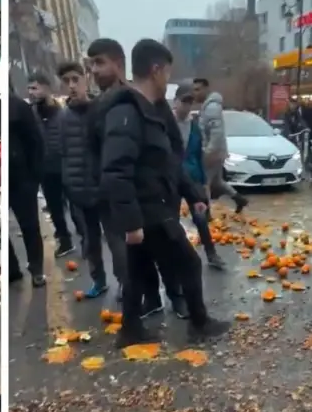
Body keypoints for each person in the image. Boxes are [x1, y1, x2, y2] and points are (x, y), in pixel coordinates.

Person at [100, 39, 231, 347]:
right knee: (189, 263)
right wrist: (131, 223)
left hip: (152, 207)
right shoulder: (127, 112)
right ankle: (199, 323)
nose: (167, 80)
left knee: (136, 271)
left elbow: (169, 162)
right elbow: (115, 171)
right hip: (148, 211)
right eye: (167, 72)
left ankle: (130, 330)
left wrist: (193, 195)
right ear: (156, 70)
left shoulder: (153, 110)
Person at [56, 60, 122, 299]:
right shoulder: (62, 117)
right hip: (79, 191)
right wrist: (68, 185)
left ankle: (123, 281)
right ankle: (98, 280)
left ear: (86, 79)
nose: (72, 85)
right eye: (66, 81)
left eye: (76, 79)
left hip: (104, 188)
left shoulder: (101, 110)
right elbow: (63, 153)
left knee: (115, 240)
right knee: (90, 242)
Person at [171, 83, 225, 270]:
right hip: (172, 178)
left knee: (200, 217)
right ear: (175, 101)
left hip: (192, 177)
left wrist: (204, 183)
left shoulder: (194, 126)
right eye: (184, 101)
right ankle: (173, 255)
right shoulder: (166, 123)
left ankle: (211, 254)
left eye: (190, 102)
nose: (186, 106)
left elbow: (197, 155)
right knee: (171, 218)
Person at [27, 72, 78, 258]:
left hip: (65, 165)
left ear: (46, 88)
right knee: (55, 209)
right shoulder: (31, 114)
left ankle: (86, 237)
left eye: (34, 88)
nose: (31, 92)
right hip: (46, 170)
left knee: (76, 206)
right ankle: (65, 240)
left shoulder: (62, 111)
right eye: (29, 88)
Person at [7, 88, 47, 286]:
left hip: (22, 178)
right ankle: (11, 268)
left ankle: (36, 268)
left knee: (30, 225)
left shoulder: (18, 106)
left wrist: (34, 177)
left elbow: (35, 141)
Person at [192, 78, 248, 214]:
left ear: (206, 89)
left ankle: (205, 214)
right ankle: (239, 199)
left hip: (212, 153)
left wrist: (207, 153)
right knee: (217, 182)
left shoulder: (211, 108)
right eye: (194, 90)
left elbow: (216, 133)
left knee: (204, 183)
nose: (195, 93)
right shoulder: (208, 106)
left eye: (198, 89)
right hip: (216, 152)